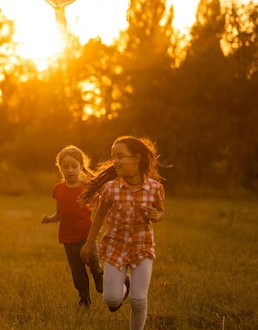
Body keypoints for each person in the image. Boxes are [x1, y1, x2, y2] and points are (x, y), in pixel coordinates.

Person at [80, 136, 166, 330]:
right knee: (111, 299)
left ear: (136, 158)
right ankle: (123, 287)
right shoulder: (110, 189)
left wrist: (157, 215)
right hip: (115, 247)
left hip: (142, 247)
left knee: (138, 300)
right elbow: (100, 216)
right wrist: (88, 243)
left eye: (120, 156)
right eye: (113, 156)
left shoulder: (154, 188)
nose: (115, 161)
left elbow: (161, 210)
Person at [41, 145, 104, 307]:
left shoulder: (87, 187)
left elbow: (100, 210)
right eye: (66, 167)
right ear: (60, 167)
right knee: (78, 274)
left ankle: (102, 282)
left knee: (94, 265)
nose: (70, 170)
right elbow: (60, 214)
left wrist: (99, 228)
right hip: (68, 239)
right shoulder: (58, 189)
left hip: (86, 236)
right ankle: (84, 300)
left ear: (81, 166)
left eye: (74, 166)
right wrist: (49, 219)